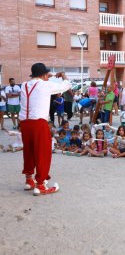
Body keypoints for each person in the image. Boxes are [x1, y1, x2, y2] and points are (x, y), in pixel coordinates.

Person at [19, 63, 71, 195]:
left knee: (29, 150)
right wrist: (63, 75)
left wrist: (49, 77)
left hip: (24, 123)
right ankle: (41, 184)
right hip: (39, 122)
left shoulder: (24, 85)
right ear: (43, 75)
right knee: (43, 152)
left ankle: (29, 180)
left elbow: (38, 84)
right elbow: (66, 86)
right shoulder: (45, 85)